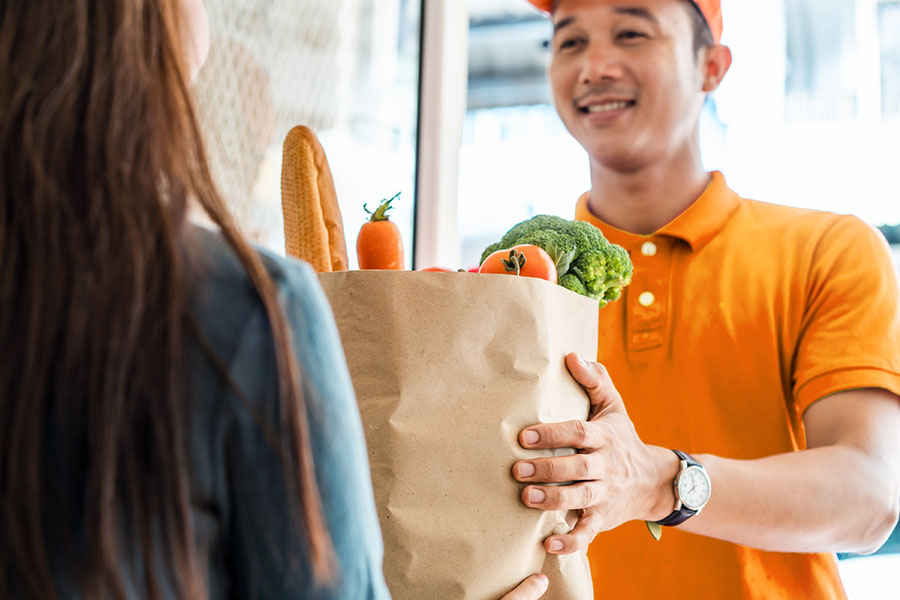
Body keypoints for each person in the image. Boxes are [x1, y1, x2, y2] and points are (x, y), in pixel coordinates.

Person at [510, 0, 900, 598]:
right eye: (569, 42)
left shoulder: (829, 250)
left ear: (712, 67)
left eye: (631, 33)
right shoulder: (518, 283)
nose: (594, 66)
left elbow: (869, 498)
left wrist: (658, 483)